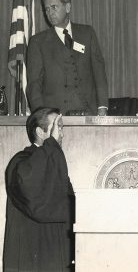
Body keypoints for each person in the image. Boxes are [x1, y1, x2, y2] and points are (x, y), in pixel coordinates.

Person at [3, 107, 75, 271]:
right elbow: (34, 198)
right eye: (58, 127)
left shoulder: (53, 160)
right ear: (40, 132)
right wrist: (51, 143)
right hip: (32, 254)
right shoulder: (21, 162)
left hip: (56, 251)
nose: (61, 134)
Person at [26, 0, 108, 116]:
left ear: (67, 7)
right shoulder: (38, 42)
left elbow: (99, 72)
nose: (50, 13)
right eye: (46, 9)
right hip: (54, 117)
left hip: (89, 114)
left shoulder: (87, 34)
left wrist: (102, 107)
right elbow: (34, 85)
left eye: (54, 7)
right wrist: (42, 115)